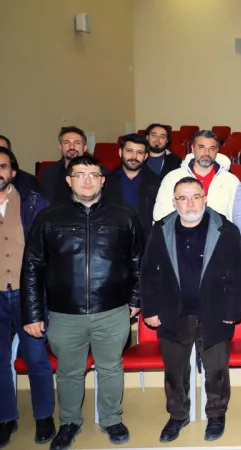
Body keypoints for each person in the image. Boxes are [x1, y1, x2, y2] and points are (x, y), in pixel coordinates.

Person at [22, 154, 144, 449]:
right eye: (79, 175)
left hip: (112, 310)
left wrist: (135, 299)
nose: (87, 181)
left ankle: (111, 419)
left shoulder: (125, 216)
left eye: (93, 175)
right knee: (69, 372)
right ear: (69, 180)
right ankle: (70, 422)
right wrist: (33, 313)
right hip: (65, 312)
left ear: (103, 180)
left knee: (111, 367)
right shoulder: (49, 218)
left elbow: (139, 261)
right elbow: (33, 267)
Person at [140, 177, 241, 443]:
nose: (190, 203)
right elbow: (148, 272)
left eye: (195, 197)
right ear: (174, 202)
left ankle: (216, 414)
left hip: (215, 311)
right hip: (172, 312)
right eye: (183, 198)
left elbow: (236, 273)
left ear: (205, 198)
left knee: (216, 370)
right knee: (175, 370)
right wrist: (149, 309)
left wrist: (232, 310)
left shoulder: (226, 230)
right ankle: (178, 416)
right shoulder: (160, 229)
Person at [0, 147, 54, 448]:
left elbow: (49, 249)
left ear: (13, 171)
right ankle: (6, 417)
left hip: (28, 295)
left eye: (3, 166)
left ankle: (44, 416)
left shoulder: (34, 203)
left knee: (35, 358)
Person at [153, 130, 240, 222]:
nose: (206, 153)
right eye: (201, 147)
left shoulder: (230, 181)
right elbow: (161, 215)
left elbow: (235, 217)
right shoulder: (173, 178)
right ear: (193, 148)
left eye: (211, 148)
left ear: (217, 150)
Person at [102, 133, 161, 237]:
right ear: (120, 152)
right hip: (114, 237)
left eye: (139, 152)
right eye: (129, 151)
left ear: (145, 156)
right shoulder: (105, 182)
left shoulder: (157, 183)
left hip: (145, 239)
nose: (134, 157)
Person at [40, 126, 108, 205]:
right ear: (60, 147)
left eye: (77, 143)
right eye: (66, 143)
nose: (72, 147)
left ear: (85, 148)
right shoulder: (49, 172)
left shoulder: (101, 172)